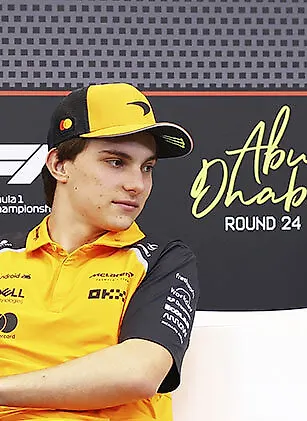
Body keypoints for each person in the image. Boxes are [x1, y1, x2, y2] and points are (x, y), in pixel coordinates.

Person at [0, 83, 199, 420]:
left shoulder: (162, 260)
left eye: (147, 167)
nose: (137, 184)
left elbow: (139, 373)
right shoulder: (4, 256)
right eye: (116, 162)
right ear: (59, 165)